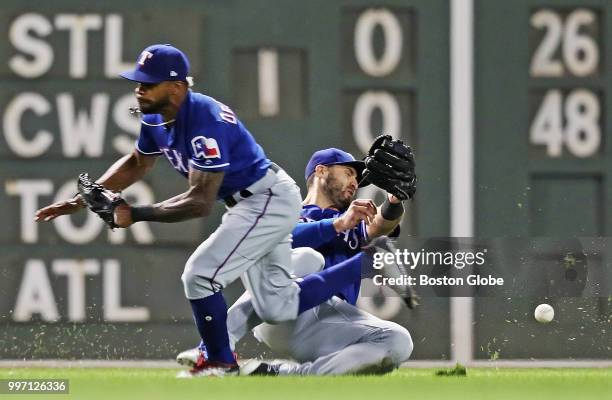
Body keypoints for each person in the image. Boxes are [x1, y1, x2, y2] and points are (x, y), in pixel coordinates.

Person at [34, 45, 403, 377]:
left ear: (177, 88)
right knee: (276, 305)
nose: (139, 89)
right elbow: (136, 163)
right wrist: (80, 200)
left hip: (265, 198)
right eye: (139, 82)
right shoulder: (155, 120)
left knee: (199, 275)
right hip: (253, 201)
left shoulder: (204, 121)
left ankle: (218, 360)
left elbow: (199, 202)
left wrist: (136, 214)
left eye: (150, 83)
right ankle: (233, 355)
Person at [177, 148, 415, 375]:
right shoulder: (284, 211)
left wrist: (394, 200)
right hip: (276, 310)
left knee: (398, 340)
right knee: (307, 258)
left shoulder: (354, 221)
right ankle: (215, 345)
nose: (355, 182)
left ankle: (287, 374)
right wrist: (337, 224)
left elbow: (381, 225)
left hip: (329, 324)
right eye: (349, 172)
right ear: (321, 171)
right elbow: (278, 239)